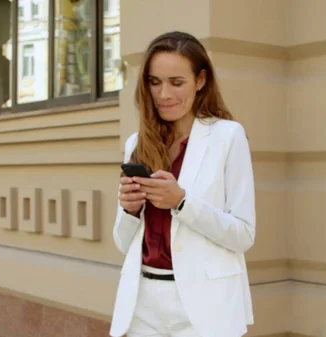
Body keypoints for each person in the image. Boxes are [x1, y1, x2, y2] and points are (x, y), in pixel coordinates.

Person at [109, 31, 256, 337]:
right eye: (154, 82)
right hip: (143, 302)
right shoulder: (137, 143)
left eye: (176, 83)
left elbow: (243, 235)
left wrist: (182, 201)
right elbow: (124, 243)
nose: (164, 94)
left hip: (205, 306)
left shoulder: (228, 137)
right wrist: (129, 210)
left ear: (200, 80)